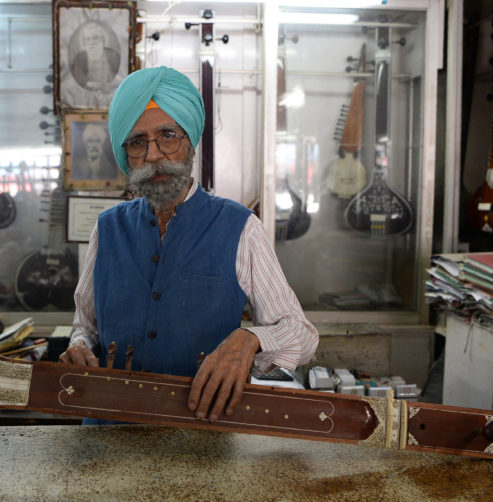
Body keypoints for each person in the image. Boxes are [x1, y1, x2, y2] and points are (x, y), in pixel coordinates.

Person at [59, 66, 318, 424]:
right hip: (107, 435)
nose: (153, 155)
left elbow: (301, 334)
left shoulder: (240, 227)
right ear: (126, 154)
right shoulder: (107, 229)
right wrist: (79, 348)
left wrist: (248, 339)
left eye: (168, 136)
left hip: (203, 443)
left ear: (190, 142)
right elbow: (86, 329)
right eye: (137, 142)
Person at [70, 22, 120, 91]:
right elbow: (77, 79)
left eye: (95, 38)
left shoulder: (113, 56)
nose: (92, 42)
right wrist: (87, 83)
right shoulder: (79, 58)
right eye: (88, 39)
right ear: (84, 42)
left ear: (103, 39)